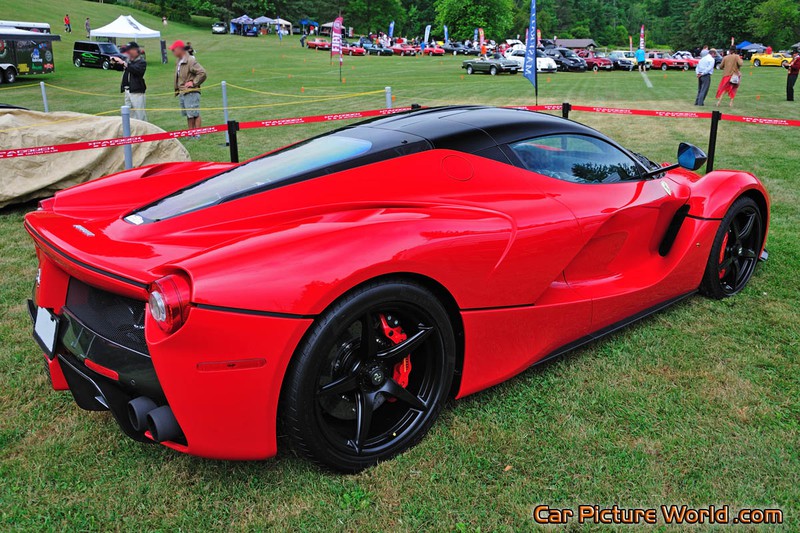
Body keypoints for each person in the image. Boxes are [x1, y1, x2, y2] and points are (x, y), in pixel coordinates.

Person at [171, 40, 207, 134]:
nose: (173, 52)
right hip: (183, 92)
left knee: (194, 114)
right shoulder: (178, 61)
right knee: (189, 114)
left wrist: (193, 83)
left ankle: (197, 134)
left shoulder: (191, 60)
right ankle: (191, 133)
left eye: (174, 50)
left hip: (191, 92)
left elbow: (202, 73)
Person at [113, 42, 147, 121]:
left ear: (135, 50)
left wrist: (124, 63)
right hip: (127, 90)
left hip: (136, 92)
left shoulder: (141, 62)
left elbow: (136, 71)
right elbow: (120, 68)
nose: (128, 53)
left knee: (140, 115)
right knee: (129, 114)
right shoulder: (129, 61)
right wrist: (115, 63)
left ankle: (143, 129)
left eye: (129, 51)